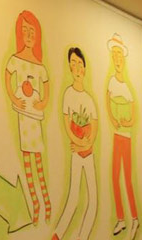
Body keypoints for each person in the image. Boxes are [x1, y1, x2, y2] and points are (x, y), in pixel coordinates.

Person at [5, 10, 51, 225]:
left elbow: (46, 85)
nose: (29, 35)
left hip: (35, 115)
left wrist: (44, 101)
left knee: (38, 160)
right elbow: (7, 76)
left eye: (32, 31)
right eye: (25, 30)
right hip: (23, 114)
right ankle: (36, 204)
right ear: (20, 33)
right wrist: (14, 97)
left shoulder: (39, 66)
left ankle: (46, 203)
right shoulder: (15, 59)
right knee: (27, 161)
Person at [52, 47, 98, 240]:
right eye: (73, 63)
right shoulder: (68, 94)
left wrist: (84, 145)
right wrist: (79, 144)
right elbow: (67, 125)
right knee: (73, 199)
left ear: (84, 69)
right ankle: (57, 235)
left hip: (88, 153)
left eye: (80, 63)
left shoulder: (89, 99)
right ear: (70, 68)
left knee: (93, 200)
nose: (77, 67)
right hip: (77, 153)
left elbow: (94, 129)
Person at [106, 33, 138, 239]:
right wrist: (112, 118)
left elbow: (133, 116)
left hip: (126, 137)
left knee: (127, 179)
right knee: (114, 177)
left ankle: (134, 218)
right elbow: (107, 101)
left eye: (119, 55)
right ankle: (120, 218)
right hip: (116, 135)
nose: (117, 58)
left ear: (124, 59)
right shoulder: (111, 82)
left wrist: (127, 122)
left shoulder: (127, 87)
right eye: (114, 54)